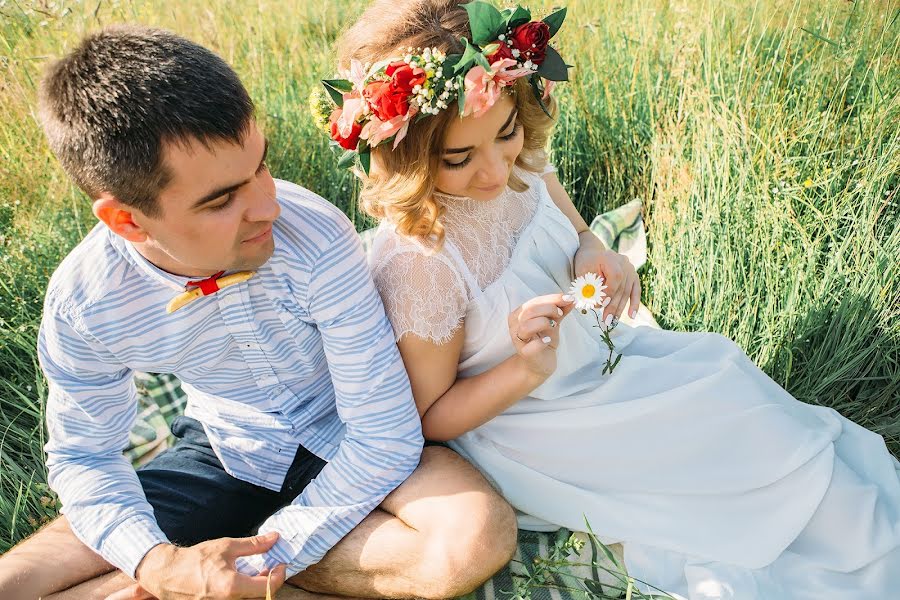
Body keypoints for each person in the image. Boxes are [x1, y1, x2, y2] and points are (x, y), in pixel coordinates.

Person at [321, 1, 900, 598]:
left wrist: (591, 246)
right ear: (406, 157)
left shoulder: (515, 164)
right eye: (459, 158)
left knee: (727, 386)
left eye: (506, 133)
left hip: (593, 362)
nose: (495, 170)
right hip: (532, 420)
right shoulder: (426, 266)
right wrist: (525, 368)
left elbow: (545, 191)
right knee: (723, 465)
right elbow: (429, 419)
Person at [0, 25, 517, 600]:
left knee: (473, 538)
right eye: (222, 199)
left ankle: (222, 574)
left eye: (261, 167)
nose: (268, 205)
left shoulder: (314, 235)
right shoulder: (85, 304)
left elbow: (384, 435)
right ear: (127, 220)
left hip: (347, 436)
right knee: (13, 582)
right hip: (226, 445)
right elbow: (84, 454)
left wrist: (254, 559)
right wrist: (153, 562)